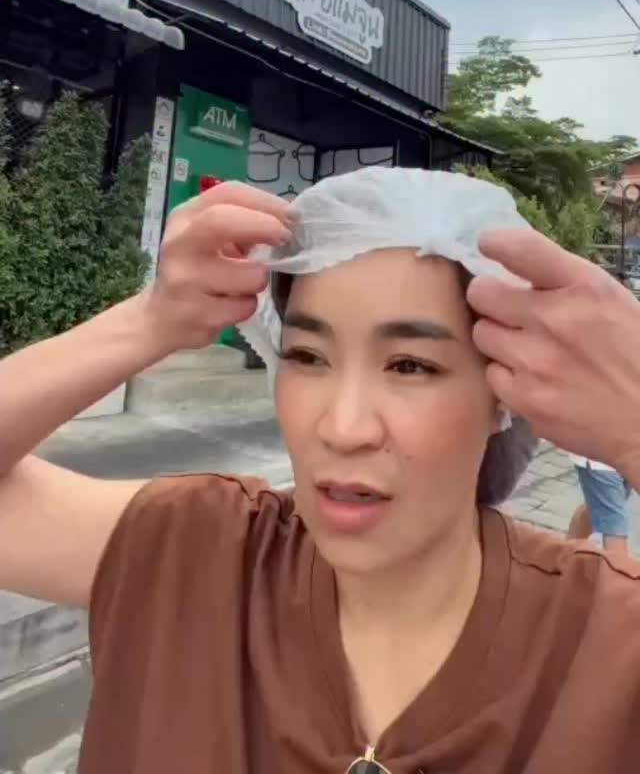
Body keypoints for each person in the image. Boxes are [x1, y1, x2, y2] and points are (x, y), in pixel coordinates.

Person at [2, 170, 640, 774]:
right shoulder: (200, 550)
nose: (343, 427)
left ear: (504, 393)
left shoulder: (604, 638)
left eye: (410, 365)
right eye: (307, 355)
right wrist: (148, 321)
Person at [567, 454, 632, 556]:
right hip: (599, 459)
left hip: (629, 456)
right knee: (613, 521)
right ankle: (617, 566)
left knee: (598, 505)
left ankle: (567, 554)